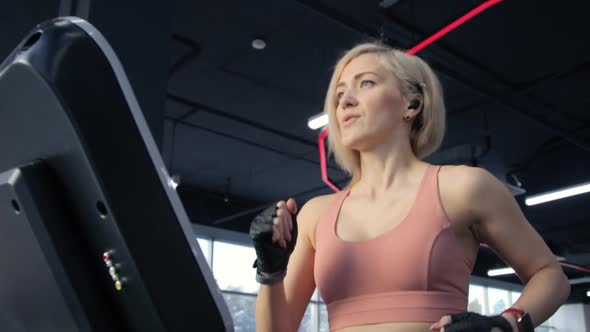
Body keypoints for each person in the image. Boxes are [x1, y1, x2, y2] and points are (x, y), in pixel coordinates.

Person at [249, 42, 570, 332]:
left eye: (366, 83)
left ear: (411, 104)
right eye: (339, 94)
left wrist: (506, 324)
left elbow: (550, 275)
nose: (344, 101)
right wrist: (270, 271)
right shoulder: (316, 215)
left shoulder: (463, 188)